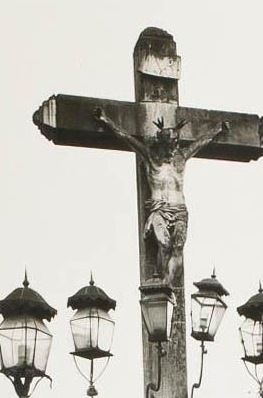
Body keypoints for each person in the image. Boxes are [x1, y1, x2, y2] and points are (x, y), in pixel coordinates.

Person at [94, 108, 229, 288]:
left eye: (174, 143)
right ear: (161, 142)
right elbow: (126, 137)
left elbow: (202, 142)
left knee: (178, 246)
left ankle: (168, 284)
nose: (172, 148)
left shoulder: (181, 157)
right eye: (169, 144)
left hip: (180, 210)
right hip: (159, 210)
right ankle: (163, 284)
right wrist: (106, 120)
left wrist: (218, 129)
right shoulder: (151, 157)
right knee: (164, 245)